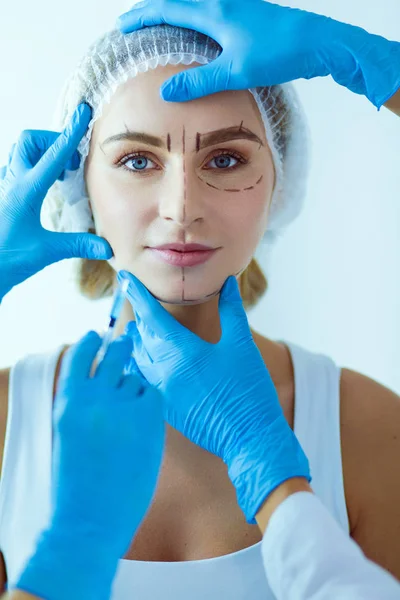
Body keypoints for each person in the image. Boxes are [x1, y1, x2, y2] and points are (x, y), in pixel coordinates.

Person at [0, 2, 399, 598]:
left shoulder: (368, 430)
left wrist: (380, 64)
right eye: (137, 160)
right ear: (79, 181)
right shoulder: (8, 421)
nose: (181, 207)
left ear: (280, 182)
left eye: (225, 158)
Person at [3, 328, 400, 600]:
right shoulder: (9, 409)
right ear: (83, 204)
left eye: (227, 194)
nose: (181, 207)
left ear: (275, 201)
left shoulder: (371, 422)